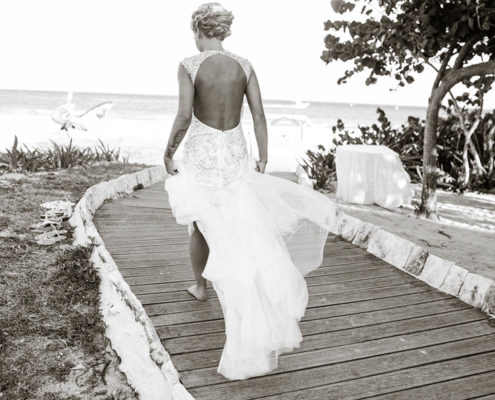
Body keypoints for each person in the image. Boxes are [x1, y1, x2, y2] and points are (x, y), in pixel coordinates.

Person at [163, 2, 340, 381]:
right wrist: (264, 157)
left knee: (199, 223)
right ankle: (247, 291)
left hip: (204, 153)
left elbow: (183, 116)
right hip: (236, 152)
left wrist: (167, 152)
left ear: (199, 30)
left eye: (194, 32)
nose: (193, 39)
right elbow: (259, 115)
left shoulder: (189, 65)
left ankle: (200, 285)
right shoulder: (244, 65)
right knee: (240, 226)